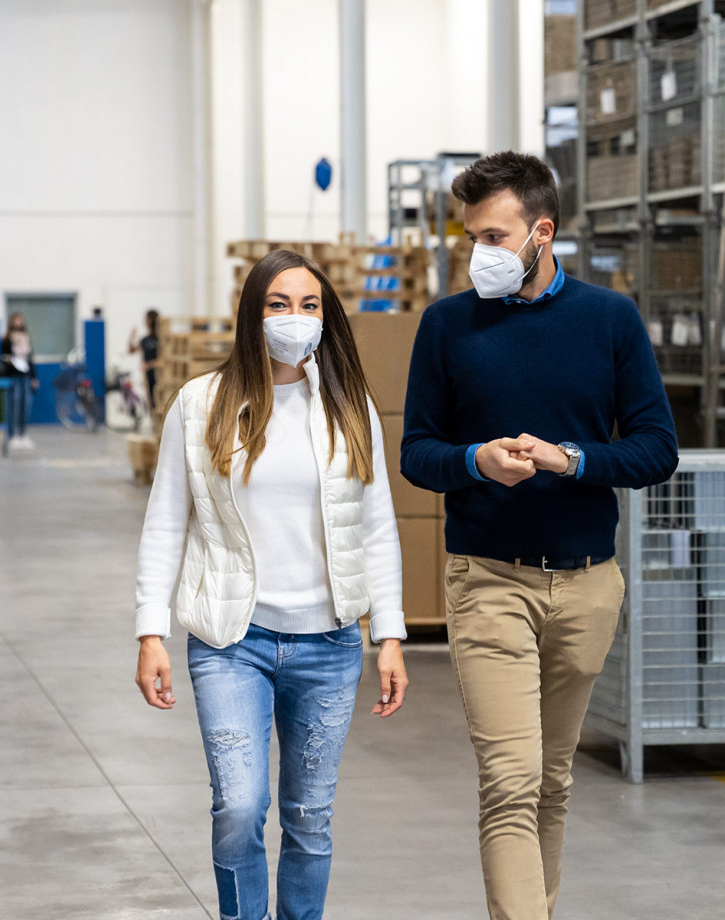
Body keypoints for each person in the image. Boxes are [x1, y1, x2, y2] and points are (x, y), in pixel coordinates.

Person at [401, 151, 679, 920]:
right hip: (490, 579)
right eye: (472, 238)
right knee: (510, 780)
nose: (479, 254)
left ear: (542, 232)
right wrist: (476, 460)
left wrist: (571, 459)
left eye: (494, 237)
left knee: (551, 781)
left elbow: (656, 448)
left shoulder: (609, 320)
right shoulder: (446, 326)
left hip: (587, 586)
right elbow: (417, 452)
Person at [134, 249, 410, 920]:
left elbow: (376, 526)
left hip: (330, 645)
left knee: (309, 817)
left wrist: (391, 635)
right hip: (232, 642)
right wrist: (150, 630)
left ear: (326, 316)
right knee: (238, 806)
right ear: (251, 315)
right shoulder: (201, 405)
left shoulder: (347, 407)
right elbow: (166, 520)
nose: (295, 317)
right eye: (278, 304)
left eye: (309, 305)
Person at [0, 312, 38, 450]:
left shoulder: (26, 338)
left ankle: (22, 434)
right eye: (16, 320)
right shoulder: (6, 340)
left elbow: (30, 359)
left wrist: (33, 376)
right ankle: (11, 435)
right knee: (12, 406)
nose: (18, 323)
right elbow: (3, 358)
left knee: (25, 406)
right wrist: (11, 360)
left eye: (20, 320)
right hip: (12, 376)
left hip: (25, 376)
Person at [128, 308, 161, 411]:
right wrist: (132, 336)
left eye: (146, 319)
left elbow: (164, 359)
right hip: (148, 376)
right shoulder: (145, 340)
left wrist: (149, 365)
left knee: (159, 403)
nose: (145, 321)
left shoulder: (161, 339)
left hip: (160, 376)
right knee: (151, 404)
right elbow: (131, 350)